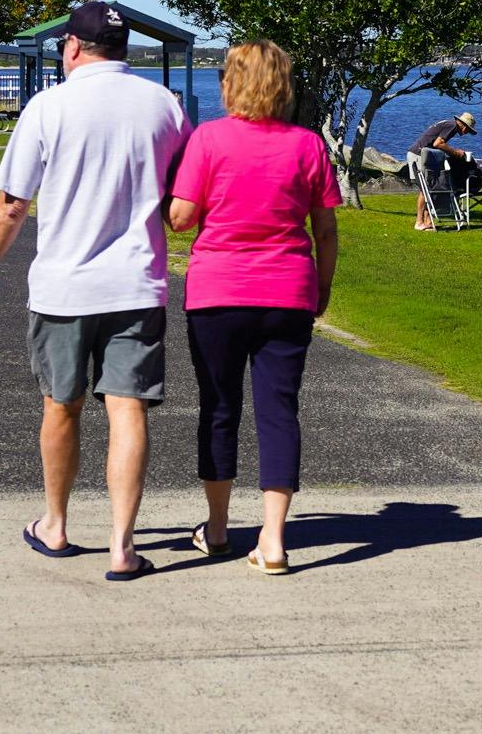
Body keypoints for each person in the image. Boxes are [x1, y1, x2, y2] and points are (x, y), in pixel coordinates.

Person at [0, 1, 190, 582]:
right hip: (137, 284)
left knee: (60, 404)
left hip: (64, 289)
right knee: (128, 407)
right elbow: (181, 200)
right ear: (125, 49)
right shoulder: (164, 106)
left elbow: (13, 205)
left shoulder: (48, 107)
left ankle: (57, 523)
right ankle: (122, 544)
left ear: (71, 47)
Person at [167, 40, 339, 575]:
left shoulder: (209, 139)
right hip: (288, 292)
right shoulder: (308, 146)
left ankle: (217, 530)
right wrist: (322, 288)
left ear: (230, 83)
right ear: (284, 86)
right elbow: (326, 230)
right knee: (278, 412)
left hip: (218, 294)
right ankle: (273, 540)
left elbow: (181, 218)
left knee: (219, 408)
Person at [410, 110, 477, 231]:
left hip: (424, 155)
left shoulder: (449, 125)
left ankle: (427, 221)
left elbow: (437, 144)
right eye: (468, 129)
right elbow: (438, 143)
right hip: (418, 155)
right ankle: (419, 222)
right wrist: (456, 152)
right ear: (462, 124)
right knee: (425, 189)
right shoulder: (452, 125)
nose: (467, 132)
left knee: (430, 188)